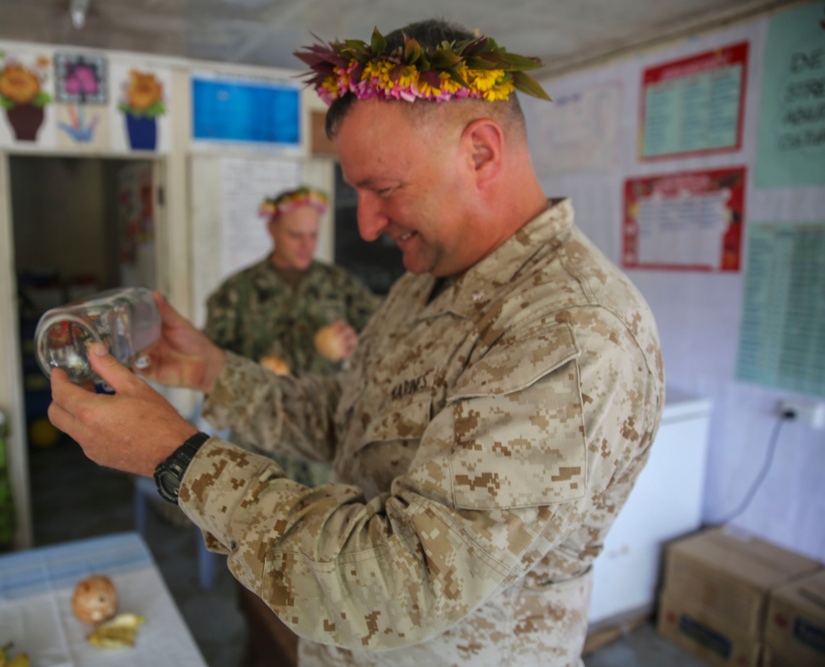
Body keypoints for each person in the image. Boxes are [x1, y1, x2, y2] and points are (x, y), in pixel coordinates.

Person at [48, 18, 664, 667]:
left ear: (481, 153)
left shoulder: (570, 334)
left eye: (385, 189)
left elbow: (399, 581)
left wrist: (176, 457)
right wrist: (214, 372)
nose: (366, 225)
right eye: (358, 193)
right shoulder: (427, 281)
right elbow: (353, 421)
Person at [202, 184, 379, 486]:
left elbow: (383, 342)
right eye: (295, 235)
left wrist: (355, 343)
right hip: (257, 449)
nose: (306, 245)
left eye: (313, 236)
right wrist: (253, 372)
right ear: (271, 229)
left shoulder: (340, 285)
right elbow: (209, 367)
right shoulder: (237, 291)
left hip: (322, 447)